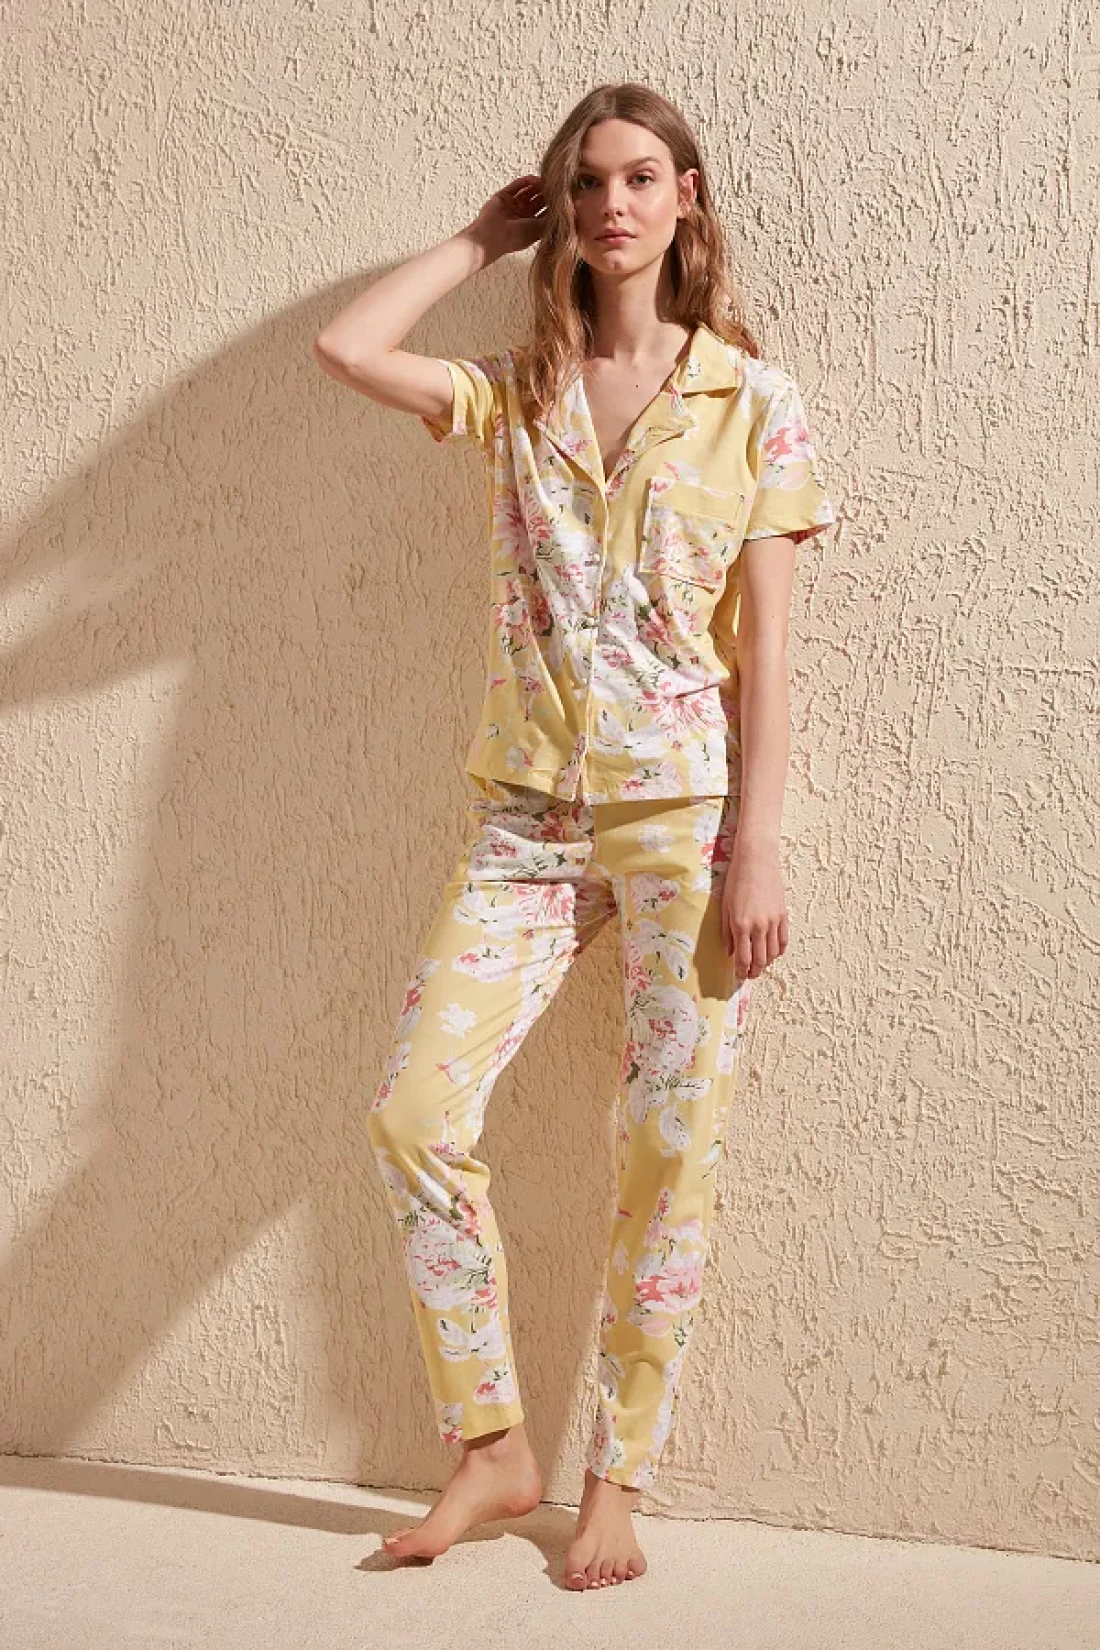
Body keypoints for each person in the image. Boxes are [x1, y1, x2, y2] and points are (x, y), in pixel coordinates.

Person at [313, 81, 837, 1591]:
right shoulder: (515, 389)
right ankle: (493, 1447)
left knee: (669, 1144)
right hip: (528, 815)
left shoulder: (754, 402)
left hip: (683, 815)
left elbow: (769, 653)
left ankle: (617, 1477)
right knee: (414, 1114)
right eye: (590, 180)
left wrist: (757, 844)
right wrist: (480, 240)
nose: (614, 203)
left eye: (642, 177)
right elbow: (349, 349)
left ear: (686, 198)